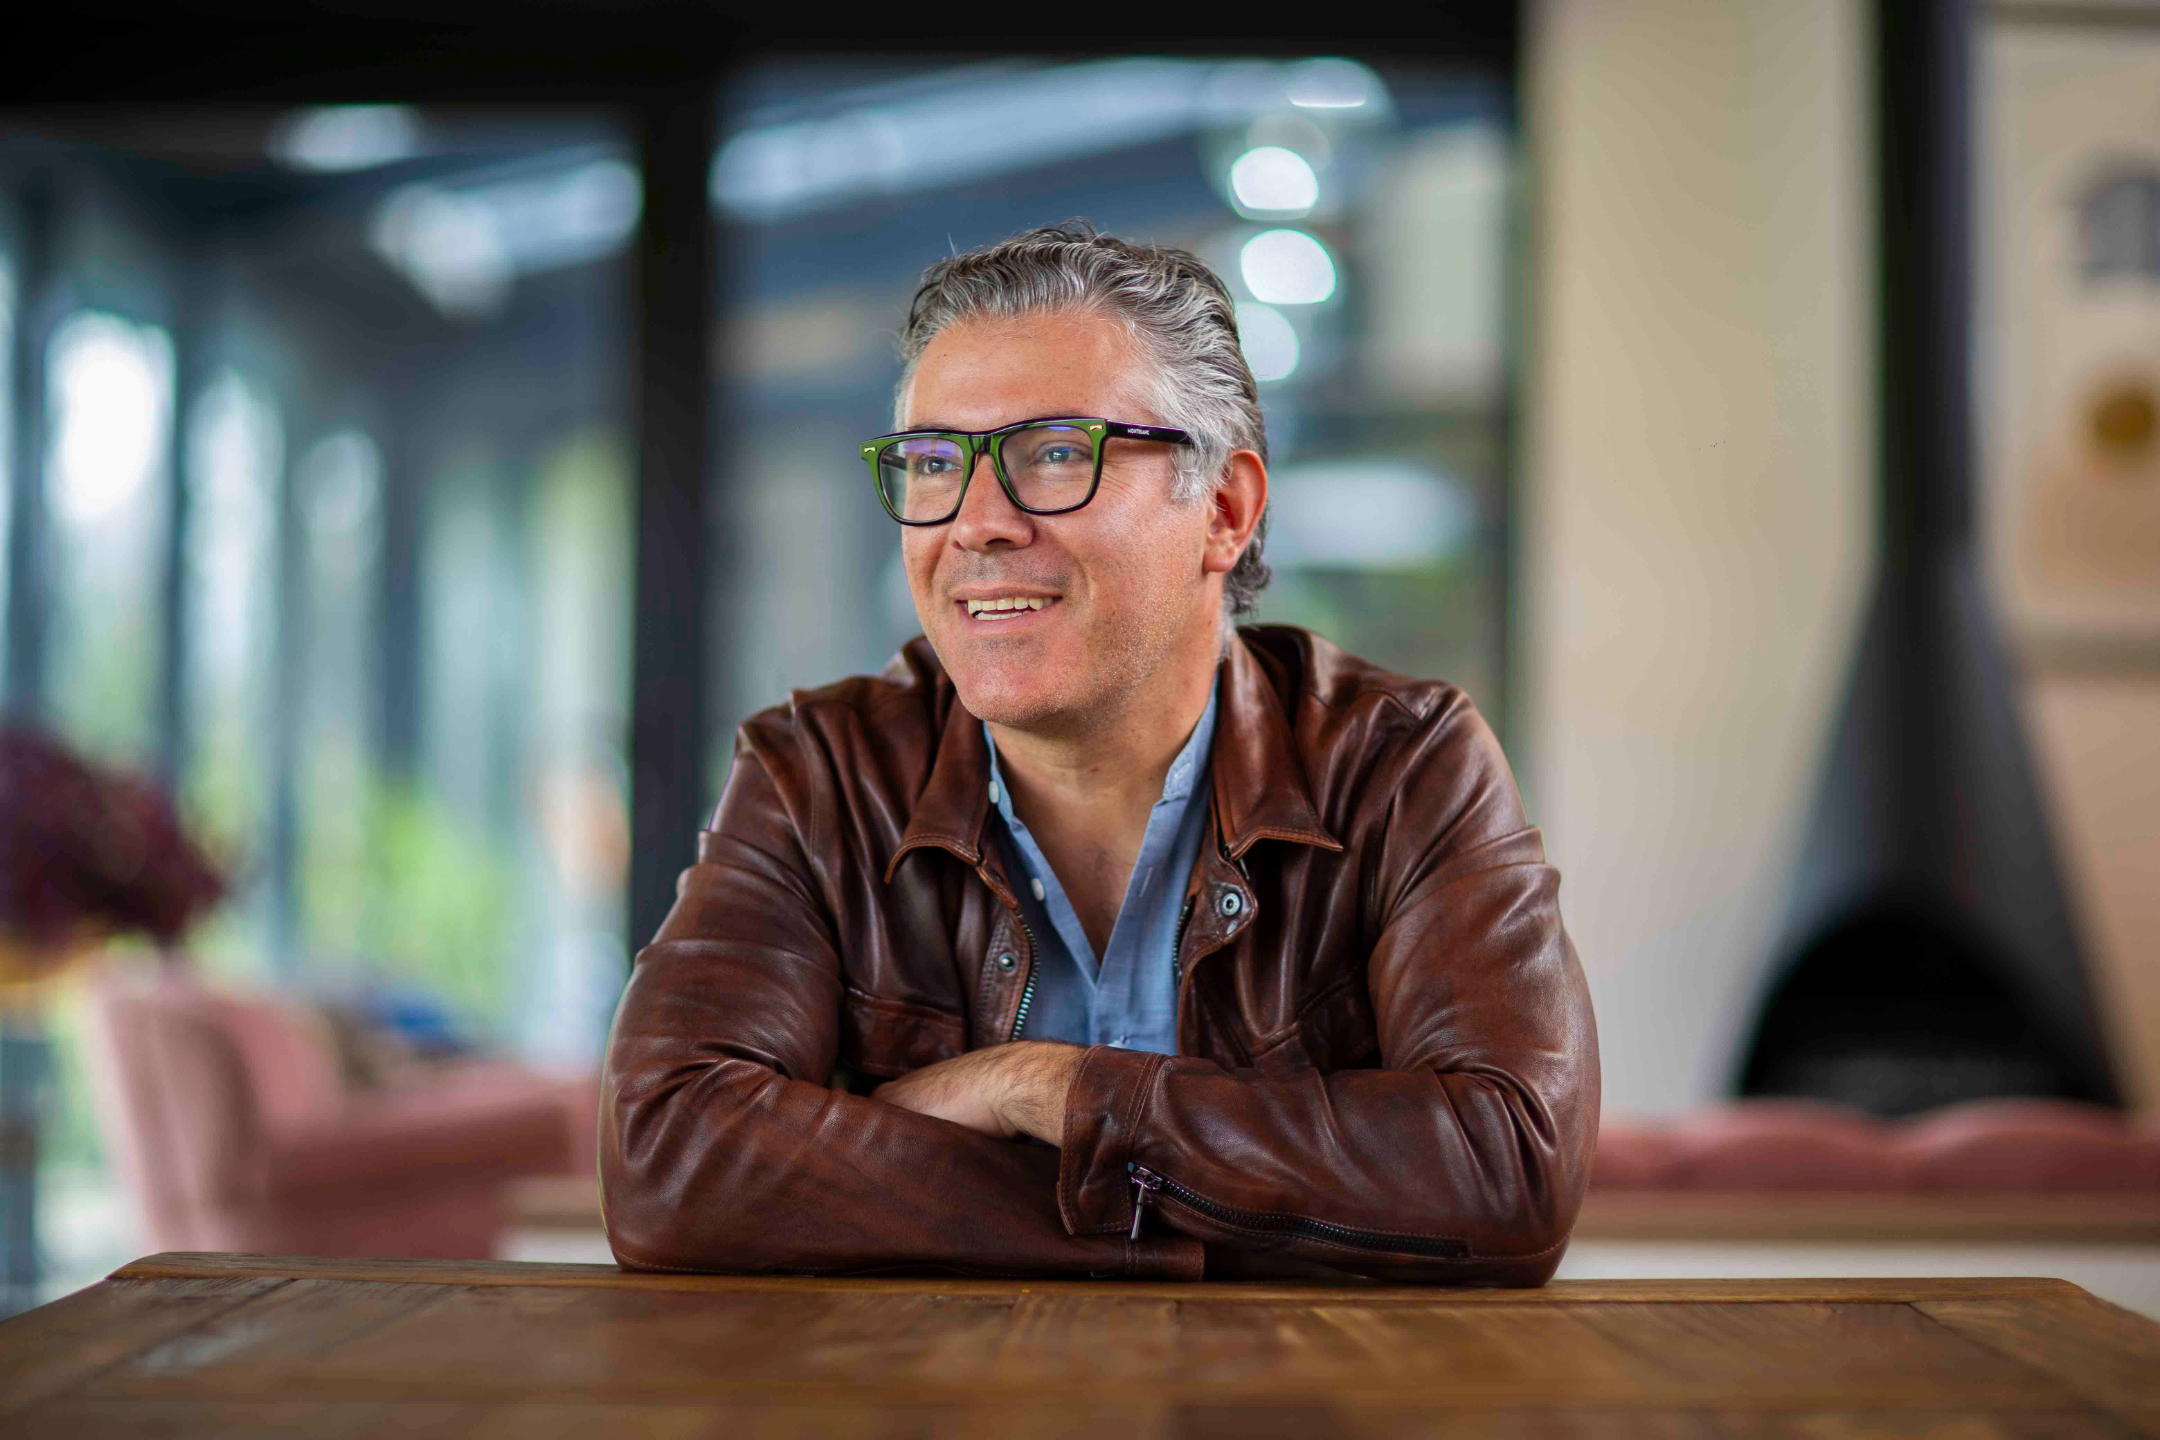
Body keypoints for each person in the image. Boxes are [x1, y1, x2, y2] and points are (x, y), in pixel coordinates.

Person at [601, 222, 1597, 1283]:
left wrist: (1051, 1090)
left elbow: (1508, 1169)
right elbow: (669, 1165)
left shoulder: (1400, 766)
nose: (976, 523)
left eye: (1056, 454)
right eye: (934, 463)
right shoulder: (821, 776)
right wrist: (1185, 1223)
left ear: (1224, 510)